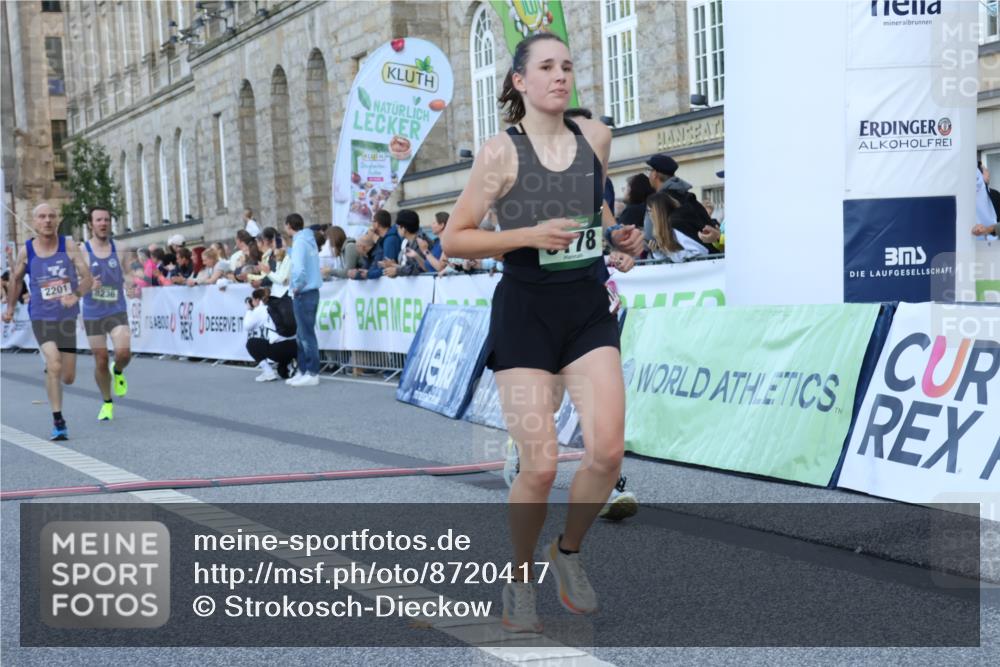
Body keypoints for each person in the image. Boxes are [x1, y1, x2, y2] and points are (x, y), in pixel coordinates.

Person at [441, 33, 644, 633]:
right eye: (546, 68)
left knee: (606, 453)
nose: (560, 76)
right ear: (519, 82)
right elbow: (455, 238)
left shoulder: (596, 137)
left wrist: (620, 239)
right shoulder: (500, 153)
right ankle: (521, 576)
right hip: (526, 311)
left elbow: (594, 209)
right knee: (540, 466)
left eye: (567, 67)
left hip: (585, 308)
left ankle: (569, 554)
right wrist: (525, 236)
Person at [3, 203, 94, 440]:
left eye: (51, 216)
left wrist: (75, 295)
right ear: (34, 222)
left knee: (68, 377)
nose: (47, 220)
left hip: (66, 317)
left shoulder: (68, 246)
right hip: (41, 316)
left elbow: (87, 278)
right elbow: (15, 280)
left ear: (57, 220)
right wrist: (10, 307)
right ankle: (58, 421)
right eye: (42, 216)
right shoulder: (27, 250)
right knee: (54, 364)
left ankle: (52, 371)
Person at [81, 206, 132, 422]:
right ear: (91, 225)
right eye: (99, 220)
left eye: (107, 219)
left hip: (116, 309)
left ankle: (118, 371)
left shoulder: (120, 248)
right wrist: (88, 284)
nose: (103, 223)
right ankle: (107, 403)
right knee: (100, 359)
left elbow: (129, 274)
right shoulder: (81, 250)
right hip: (93, 312)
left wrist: (132, 285)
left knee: (123, 353)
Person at [643, 153, 719, 252]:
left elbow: (650, 238)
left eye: (649, 171)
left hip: (673, 261)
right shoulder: (689, 197)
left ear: (655, 174)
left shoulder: (656, 203)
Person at [285, 213, 322, 387]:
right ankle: (303, 370)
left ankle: (312, 372)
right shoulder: (308, 240)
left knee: (306, 334)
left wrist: (296, 286)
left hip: (304, 292)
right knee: (302, 334)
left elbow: (299, 268)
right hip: (311, 291)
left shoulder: (300, 242)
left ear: (288, 226)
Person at [244, 287, 297, 381]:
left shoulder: (261, 309)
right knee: (283, 373)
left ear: (257, 299)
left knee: (251, 343)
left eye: (252, 299)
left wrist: (249, 310)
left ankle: (268, 372)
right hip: (296, 346)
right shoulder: (281, 304)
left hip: (279, 349)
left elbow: (247, 327)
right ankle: (291, 365)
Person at [645, 191, 709, 262]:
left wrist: (673, 255)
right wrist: (658, 253)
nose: (649, 215)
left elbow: (700, 251)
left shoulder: (676, 224)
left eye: (649, 210)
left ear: (657, 212)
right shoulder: (669, 226)